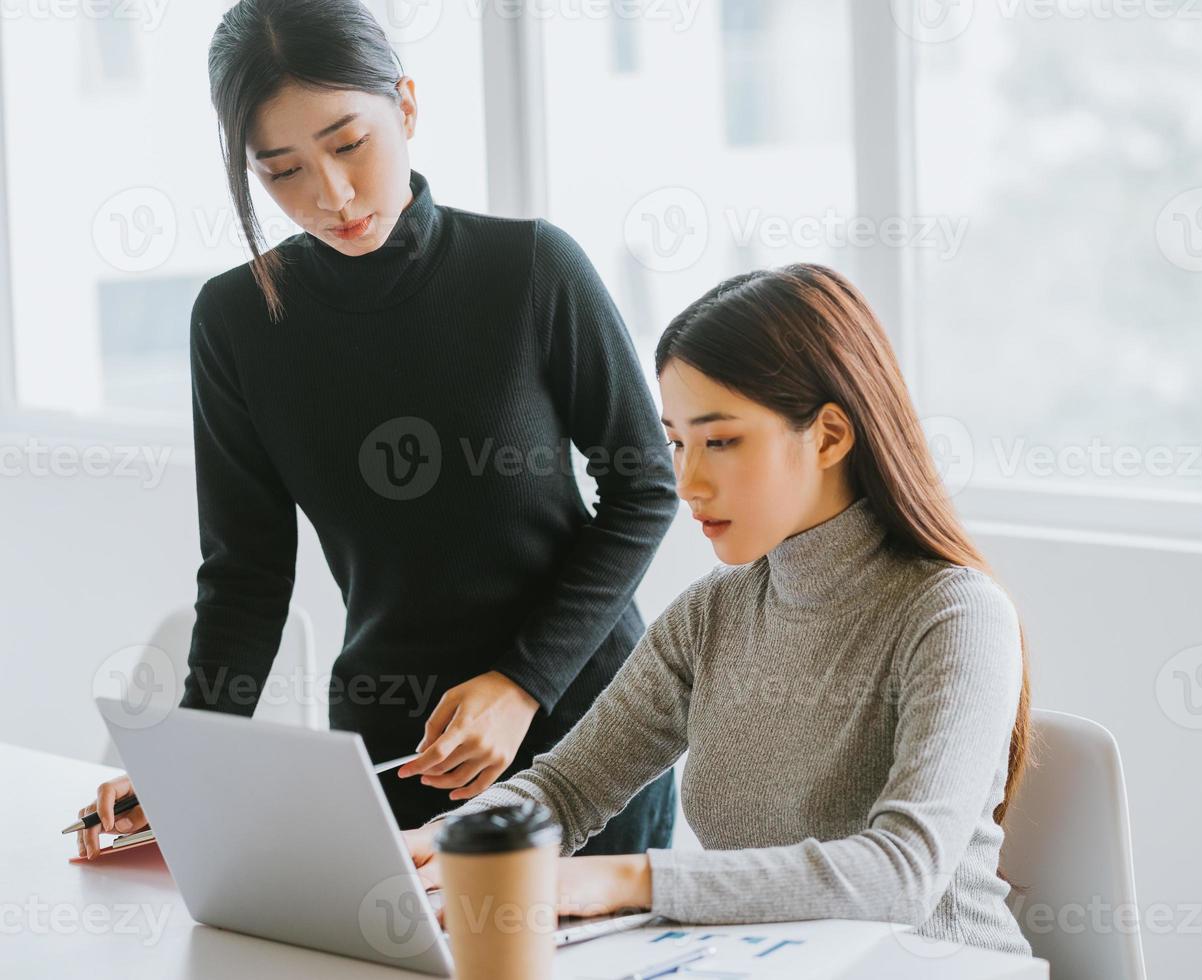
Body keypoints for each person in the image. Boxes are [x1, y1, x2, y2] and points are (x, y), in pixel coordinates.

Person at [74, 0, 678, 855]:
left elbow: (646, 487)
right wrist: (184, 767)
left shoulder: (532, 269)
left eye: (349, 144)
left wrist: (520, 683)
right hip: (398, 754)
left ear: (408, 105)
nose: (332, 195)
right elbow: (246, 577)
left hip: (587, 732)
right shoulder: (237, 322)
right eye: (281, 171)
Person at [403, 264, 1034, 955]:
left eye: (721, 441)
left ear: (828, 436)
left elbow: (901, 873)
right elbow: (567, 787)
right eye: (676, 442)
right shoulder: (711, 616)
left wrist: (627, 879)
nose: (688, 482)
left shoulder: (955, 615)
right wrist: (446, 843)